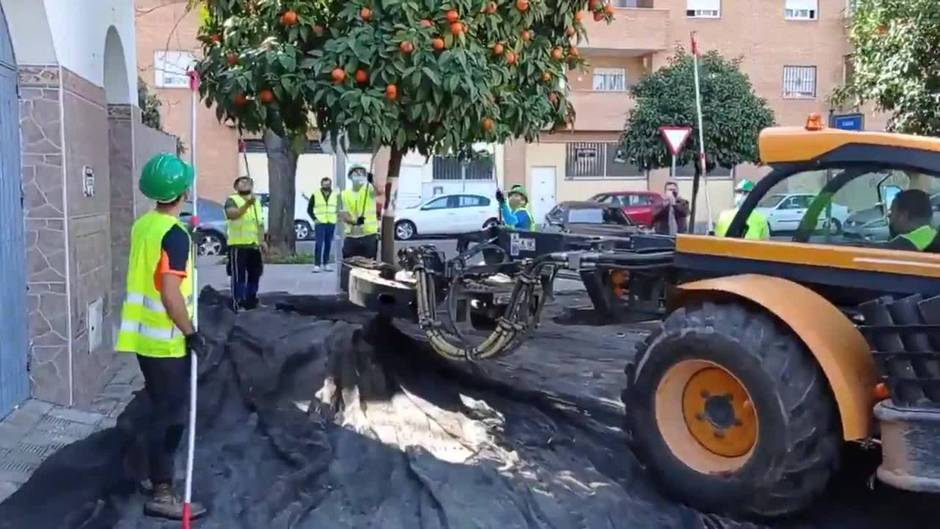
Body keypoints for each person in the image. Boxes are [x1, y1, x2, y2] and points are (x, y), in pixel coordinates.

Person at [115, 153, 207, 520]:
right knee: (170, 416)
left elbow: (155, 261)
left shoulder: (145, 225)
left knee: (158, 407)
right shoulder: (174, 236)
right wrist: (191, 333)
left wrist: (184, 238)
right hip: (165, 341)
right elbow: (170, 293)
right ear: (183, 190)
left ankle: (155, 475)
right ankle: (163, 491)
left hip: (142, 336)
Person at [224, 176, 265, 311]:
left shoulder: (256, 202)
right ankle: (238, 302)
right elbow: (233, 214)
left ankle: (251, 300)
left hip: (253, 245)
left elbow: (259, 222)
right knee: (238, 276)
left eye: (248, 181)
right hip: (238, 245)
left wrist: (262, 241)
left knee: (255, 274)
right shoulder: (232, 200)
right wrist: (247, 204)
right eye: (241, 182)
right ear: (236, 187)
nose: (245, 183)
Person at [340, 165, 379, 259]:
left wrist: (372, 181)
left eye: (361, 173)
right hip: (351, 236)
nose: (358, 175)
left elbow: (378, 192)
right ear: (350, 176)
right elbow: (343, 215)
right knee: (349, 266)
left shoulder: (368, 190)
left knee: (369, 267)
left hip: (369, 235)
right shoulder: (344, 194)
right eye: (356, 173)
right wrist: (355, 222)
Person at [307, 176, 338, 272]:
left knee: (328, 244)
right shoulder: (315, 194)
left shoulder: (335, 194)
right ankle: (317, 265)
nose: (326, 186)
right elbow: (309, 209)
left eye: (328, 184)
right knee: (319, 244)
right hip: (320, 223)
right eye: (325, 184)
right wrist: (314, 219)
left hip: (331, 222)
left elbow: (338, 207)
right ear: (321, 185)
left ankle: (326, 263)